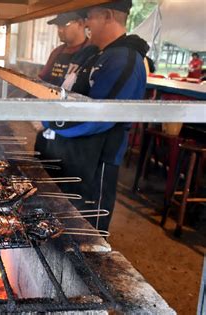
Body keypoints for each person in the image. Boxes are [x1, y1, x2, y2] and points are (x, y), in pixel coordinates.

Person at [35, 0, 149, 232]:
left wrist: (48, 120)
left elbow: (99, 116)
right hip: (68, 152)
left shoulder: (125, 59)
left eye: (90, 16)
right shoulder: (94, 53)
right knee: (55, 225)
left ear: (108, 16)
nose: (85, 23)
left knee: (85, 233)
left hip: (94, 164)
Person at [38, 11, 90, 86]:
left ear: (80, 23)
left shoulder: (92, 53)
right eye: (58, 26)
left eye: (64, 25)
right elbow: (42, 79)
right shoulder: (57, 52)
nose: (60, 30)